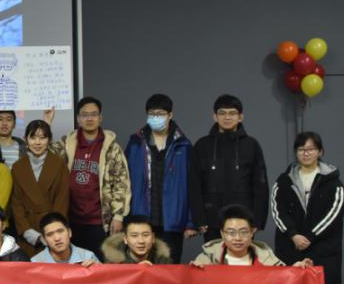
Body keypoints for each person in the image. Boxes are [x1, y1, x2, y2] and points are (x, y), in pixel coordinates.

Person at [270, 131, 344, 284]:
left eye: (311, 149)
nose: (306, 153)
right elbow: (277, 211)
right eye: (301, 149)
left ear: (320, 152)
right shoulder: (283, 181)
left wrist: (310, 237)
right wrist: (293, 235)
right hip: (290, 247)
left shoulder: (333, 182)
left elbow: (334, 214)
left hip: (322, 248)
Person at [48, 97, 130, 258]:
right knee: (73, 265)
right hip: (70, 220)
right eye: (85, 115)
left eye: (93, 114)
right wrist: (47, 124)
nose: (89, 118)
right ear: (78, 118)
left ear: (100, 118)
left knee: (101, 265)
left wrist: (118, 216)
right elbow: (44, 153)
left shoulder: (112, 148)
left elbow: (121, 183)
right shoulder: (68, 142)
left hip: (100, 221)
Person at [124, 94, 199, 263]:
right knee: (141, 268)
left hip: (172, 219)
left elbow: (192, 185)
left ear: (170, 115)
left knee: (169, 267)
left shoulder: (183, 145)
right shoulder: (135, 143)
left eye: (160, 114)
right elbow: (124, 182)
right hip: (142, 217)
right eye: (152, 114)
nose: (156, 118)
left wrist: (190, 222)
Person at [191, 94, 269, 235]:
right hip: (211, 220)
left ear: (240, 117)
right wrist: (199, 219)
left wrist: (257, 221)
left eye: (232, 113)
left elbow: (260, 186)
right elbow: (194, 185)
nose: (227, 117)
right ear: (215, 117)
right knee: (214, 251)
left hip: (243, 220)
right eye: (222, 113)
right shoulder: (202, 145)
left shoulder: (251, 145)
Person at [11, 119, 70, 257]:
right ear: (25, 139)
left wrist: (52, 232)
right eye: (33, 137)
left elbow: (62, 200)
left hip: (54, 233)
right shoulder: (18, 167)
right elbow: (16, 204)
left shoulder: (59, 164)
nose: (37, 142)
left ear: (49, 140)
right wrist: (29, 233)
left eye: (42, 138)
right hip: (28, 233)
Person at [102, 215, 172, 265]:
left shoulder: (163, 261)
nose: (141, 241)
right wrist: (136, 271)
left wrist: (152, 271)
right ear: (125, 239)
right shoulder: (113, 262)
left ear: (153, 238)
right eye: (134, 236)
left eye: (145, 235)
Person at [31, 211, 97, 264]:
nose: (57, 238)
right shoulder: (35, 263)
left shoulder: (87, 257)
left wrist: (95, 269)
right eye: (50, 234)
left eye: (60, 231)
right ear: (44, 240)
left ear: (69, 232)